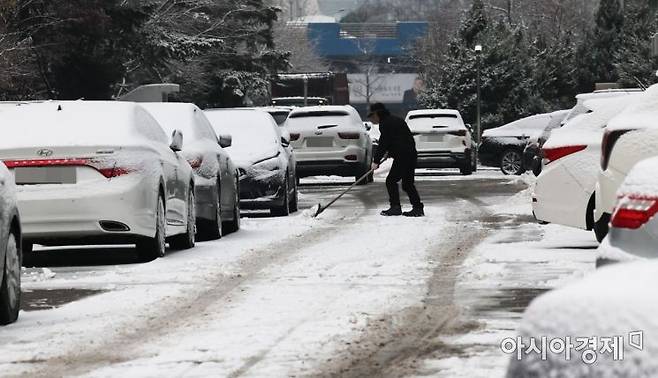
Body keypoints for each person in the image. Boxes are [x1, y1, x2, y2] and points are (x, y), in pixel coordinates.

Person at [368, 103, 424, 217]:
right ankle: (417, 208)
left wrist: (376, 160)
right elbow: (400, 139)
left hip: (403, 156)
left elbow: (384, 142)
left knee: (391, 181)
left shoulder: (385, 124)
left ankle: (395, 207)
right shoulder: (396, 120)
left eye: (372, 116)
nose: (371, 119)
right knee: (408, 184)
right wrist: (392, 151)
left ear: (377, 114)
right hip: (410, 154)